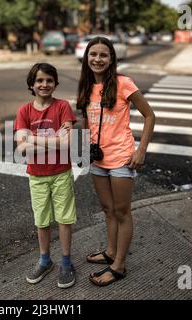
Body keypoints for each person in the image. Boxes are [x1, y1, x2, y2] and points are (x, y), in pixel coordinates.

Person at [76, 37, 155, 286]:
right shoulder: (86, 86)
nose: (97, 59)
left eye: (103, 55)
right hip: (98, 158)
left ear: (111, 59)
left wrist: (141, 150)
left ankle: (119, 266)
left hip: (121, 157)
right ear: (87, 57)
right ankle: (110, 252)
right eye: (93, 54)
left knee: (122, 212)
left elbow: (150, 115)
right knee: (108, 209)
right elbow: (87, 121)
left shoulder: (123, 83)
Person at [14, 63, 77, 289]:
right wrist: (55, 142)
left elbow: (68, 142)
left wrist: (32, 139)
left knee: (64, 219)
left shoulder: (62, 107)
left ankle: (66, 262)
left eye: (49, 80)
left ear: (55, 83)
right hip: (37, 175)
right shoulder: (24, 111)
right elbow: (21, 150)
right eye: (40, 80)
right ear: (32, 84)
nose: (44, 84)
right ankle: (45, 259)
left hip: (61, 173)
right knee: (41, 220)